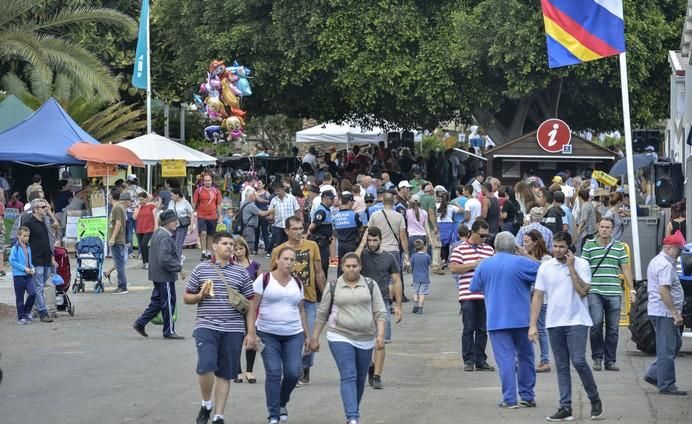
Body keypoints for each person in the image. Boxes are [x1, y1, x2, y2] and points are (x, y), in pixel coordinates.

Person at [529, 231, 604, 421]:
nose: (557, 250)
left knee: (578, 361)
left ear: (570, 247)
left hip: (577, 320)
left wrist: (571, 268)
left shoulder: (582, 264)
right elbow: (538, 296)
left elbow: (582, 292)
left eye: (562, 246)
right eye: (555, 246)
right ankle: (565, 407)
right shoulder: (546, 267)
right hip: (554, 321)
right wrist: (532, 325)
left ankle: (594, 399)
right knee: (561, 366)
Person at [184, 232, 257, 424]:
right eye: (225, 243)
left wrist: (251, 332)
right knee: (206, 366)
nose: (229, 247)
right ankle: (206, 403)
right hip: (206, 325)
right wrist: (200, 296)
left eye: (231, 244)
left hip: (233, 329)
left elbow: (250, 303)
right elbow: (187, 297)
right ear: (214, 247)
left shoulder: (241, 272)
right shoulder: (201, 269)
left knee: (225, 373)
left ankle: (218, 416)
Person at [311, 252, 387, 424]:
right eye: (348, 266)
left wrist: (380, 335)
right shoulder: (333, 286)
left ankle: (353, 410)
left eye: (355, 266)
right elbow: (322, 313)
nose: (351, 269)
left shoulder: (370, 285)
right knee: (349, 375)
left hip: (366, 337)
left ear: (360, 267)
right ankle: (352, 417)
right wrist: (315, 337)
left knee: (360, 378)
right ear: (342, 267)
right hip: (340, 335)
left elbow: (380, 311)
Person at [470, 232, 539, 408]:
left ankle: (509, 398)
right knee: (526, 357)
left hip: (496, 319)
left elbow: (474, 287)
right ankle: (527, 395)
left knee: (505, 359)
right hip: (522, 319)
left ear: (495, 246)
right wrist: (524, 253)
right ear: (514, 246)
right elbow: (544, 271)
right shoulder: (522, 263)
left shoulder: (485, 265)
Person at [249, 245, 309, 424]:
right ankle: (274, 414)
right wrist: (251, 332)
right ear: (276, 260)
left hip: (293, 333)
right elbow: (253, 307)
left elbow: (301, 311)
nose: (289, 263)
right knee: (274, 372)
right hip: (267, 333)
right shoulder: (264, 279)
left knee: (293, 373)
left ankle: (282, 402)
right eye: (285, 259)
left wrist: (308, 335)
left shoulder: (297, 283)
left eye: (292, 260)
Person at [270, 216, 326, 386]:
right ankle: (293, 369)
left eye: (301, 228)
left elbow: (318, 272)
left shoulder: (312, 246)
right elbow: (272, 275)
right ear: (286, 231)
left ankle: (305, 366)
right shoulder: (278, 250)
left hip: (308, 299)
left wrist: (326, 296)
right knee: (292, 338)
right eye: (294, 228)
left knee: (310, 335)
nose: (299, 231)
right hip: (285, 301)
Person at [581, 217, 633, 372]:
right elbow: (583, 268)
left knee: (613, 329)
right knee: (596, 324)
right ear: (598, 227)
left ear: (612, 229)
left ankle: (610, 360)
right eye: (602, 226)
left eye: (607, 227)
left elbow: (626, 268)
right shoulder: (589, 245)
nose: (604, 229)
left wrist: (632, 290)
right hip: (595, 291)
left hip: (614, 291)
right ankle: (597, 357)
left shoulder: (619, 247)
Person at [354, 226, 403, 390]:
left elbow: (396, 281)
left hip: (382, 302)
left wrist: (398, 306)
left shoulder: (389, 258)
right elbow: (352, 263)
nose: (372, 243)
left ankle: (377, 376)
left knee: (381, 342)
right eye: (370, 240)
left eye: (375, 240)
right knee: (363, 341)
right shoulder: (362, 256)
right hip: (362, 302)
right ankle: (370, 366)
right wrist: (362, 243)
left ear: (381, 240)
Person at [643, 230, 687, 395]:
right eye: (678, 250)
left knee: (675, 344)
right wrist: (675, 313)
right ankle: (667, 384)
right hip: (664, 313)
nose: (679, 254)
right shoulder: (665, 265)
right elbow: (664, 291)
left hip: (661, 311)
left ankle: (655, 374)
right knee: (667, 349)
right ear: (669, 248)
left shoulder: (659, 261)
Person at [449, 219, 495, 372]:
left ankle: (480, 360)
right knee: (469, 328)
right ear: (472, 233)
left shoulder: (489, 250)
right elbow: (454, 269)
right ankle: (469, 360)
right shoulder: (459, 249)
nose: (484, 239)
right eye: (481, 236)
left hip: (485, 295)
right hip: (467, 294)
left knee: (482, 329)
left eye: (486, 236)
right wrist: (474, 265)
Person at [133, 210, 186, 339]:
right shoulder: (164, 236)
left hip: (158, 274)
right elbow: (165, 259)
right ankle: (169, 330)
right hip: (164, 275)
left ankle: (140, 323)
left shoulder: (158, 233)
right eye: (173, 221)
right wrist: (179, 268)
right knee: (168, 302)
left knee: (157, 302)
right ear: (166, 222)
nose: (175, 223)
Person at [519, 230, 552, 373]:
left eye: (526, 242)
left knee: (540, 329)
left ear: (535, 242)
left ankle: (545, 360)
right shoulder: (523, 257)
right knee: (524, 328)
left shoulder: (546, 258)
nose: (524, 245)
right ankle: (526, 359)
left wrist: (524, 255)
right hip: (525, 297)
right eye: (523, 241)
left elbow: (542, 268)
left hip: (541, 298)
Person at [367, 193, 410, 299]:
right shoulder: (399, 216)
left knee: (380, 276)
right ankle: (393, 299)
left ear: (383, 202)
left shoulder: (374, 216)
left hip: (379, 250)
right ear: (393, 201)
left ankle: (381, 298)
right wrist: (406, 252)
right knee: (395, 278)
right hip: (394, 250)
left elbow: (368, 233)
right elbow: (402, 236)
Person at [233, 237, 261, 384]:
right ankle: (237, 371)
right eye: (235, 249)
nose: (238, 251)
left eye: (241, 248)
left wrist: (257, 306)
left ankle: (249, 371)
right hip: (234, 307)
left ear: (246, 248)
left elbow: (261, 288)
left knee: (251, 336)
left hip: (251, 306)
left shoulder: (255, 265)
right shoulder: (230, 266)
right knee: (236, 338)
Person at [193, 174, 223, 261]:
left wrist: (220, 215)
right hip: (201, 215)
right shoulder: (198, 191)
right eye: (206, 181)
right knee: (203, 233)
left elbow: (219, 204)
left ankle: (209, 253)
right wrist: (192, 213)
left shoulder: (216, 191)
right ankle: (203, 252)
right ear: (203, 181)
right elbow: (194, 203)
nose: (207, 182)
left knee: (211, 235)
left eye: (209, 180)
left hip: (213, 216)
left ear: (211, 181)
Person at [333, 191, 364, 277]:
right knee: (355, 265)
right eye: (352, 202)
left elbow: (335, 232)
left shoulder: (336, 216)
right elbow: (361, 228)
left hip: (341, 245)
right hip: (352, 244)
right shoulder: (354, 215)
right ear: (350, 202)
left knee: (341, 266)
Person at [9, 226, 36, 324]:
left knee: (33, 293)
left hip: (29, 275)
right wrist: (24, 268)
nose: (26, 238)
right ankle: (21, 317)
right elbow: (12, 261)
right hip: (18, 276)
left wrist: (32, 267)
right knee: (19, 297)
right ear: (18, 236)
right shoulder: (15, 247)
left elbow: (29, 261)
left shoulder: (28, 247)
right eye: (24, 236)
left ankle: (26, 312)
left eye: (28, 236)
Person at [106, 189, 130, 294]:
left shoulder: (117, 208)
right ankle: (122, 285)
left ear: (111, 196)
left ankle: (122, 286)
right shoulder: (117, 207)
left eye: (108, 195)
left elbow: (118, 223)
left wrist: (112, 238)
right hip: (117, 239)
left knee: (119, 263)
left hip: (117, 240)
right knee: (119, 262)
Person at [267, 182, 300, 256]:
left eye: (278, 191)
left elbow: (297, 211)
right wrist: (268, 217)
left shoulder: (291, 198)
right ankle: (280, 258)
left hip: (290, 226)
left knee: (290, 242)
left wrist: (299, 222)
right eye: (275, 191)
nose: (277, 193)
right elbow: (270, 213)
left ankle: (290, 256)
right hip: (278, 225)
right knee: (279, 244)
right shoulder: (274, 200)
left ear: (283, 189)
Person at [133, 192, 158, 269]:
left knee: (144, 244)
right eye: (139, 200)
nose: (141, 201)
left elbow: (155, 217)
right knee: (141, 246)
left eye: (142, 199)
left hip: (149, 228)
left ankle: (148, 262)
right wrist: (139, 207)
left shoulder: (152, 206)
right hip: (140, 228)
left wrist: (155, 228)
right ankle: (144, 262)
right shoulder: (138, 207)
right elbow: (134, 217)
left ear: (146, 198)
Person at [168, 188, 194, 259]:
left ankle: (177, 259)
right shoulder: (171, 202)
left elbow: (191, 213)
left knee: (178, 242)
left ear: (177, 195)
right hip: (172, 225)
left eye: (172, 195)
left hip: (182, 225)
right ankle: (176, 256)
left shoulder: (185, 202)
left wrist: (191, 225)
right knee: (172, 242)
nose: (171, 197)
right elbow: (168, 212)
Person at [410, 239, 432, 314]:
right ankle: (420, 308)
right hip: (425, 278)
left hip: (415, 277)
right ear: (424, 247)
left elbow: (411, 265)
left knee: (415, 292)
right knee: (422, 293)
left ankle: (415, 305)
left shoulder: (413, 256)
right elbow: (430, 264)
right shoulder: (427, 256)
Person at [576, 189, 597, 253]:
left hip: (587, 233)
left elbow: (584, 220)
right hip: (591, 232)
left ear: (579, 197)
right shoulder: (589, 204)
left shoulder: (585, 206)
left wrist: (578, 230)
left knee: (584, 251)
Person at [253, 180, 272, 255]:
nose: (258, 184)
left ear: (263, 185)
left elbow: (271, 201)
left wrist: (262, 201)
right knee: (256, 232)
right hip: (256, 214)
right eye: (257, 183)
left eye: (260, 183)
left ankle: (267, 249)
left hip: (264, 214)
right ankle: (255, 249)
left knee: (265, 232)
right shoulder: (254, 192)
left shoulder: (266, 193)